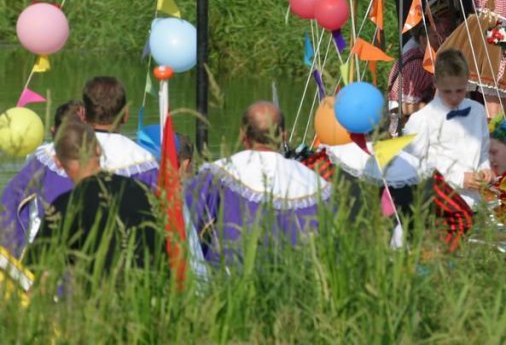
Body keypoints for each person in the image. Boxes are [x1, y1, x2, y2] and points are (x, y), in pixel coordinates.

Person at [0, 78, 158, 257]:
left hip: (51, 261)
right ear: (126, 114)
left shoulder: (51, 155)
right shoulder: (145, 163)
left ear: (84, 114)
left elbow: (10, 206)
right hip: (125, 265)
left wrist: (17, 261)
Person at [186, 102, 332, 266]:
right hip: (301, 275)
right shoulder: (315, 184)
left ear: (242, 135)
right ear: (284, 136)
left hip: (230, 276)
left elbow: (185, 220)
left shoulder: (218, 175)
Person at [25, 120, 160, 275]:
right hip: (153, 283)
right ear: (98, 150)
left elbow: (33, 271)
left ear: (57, 162)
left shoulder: (66, 207)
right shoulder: (141, 190)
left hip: (102, 288)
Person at [404, 49, 492, 251]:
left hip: (474, 203)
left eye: (460, 90)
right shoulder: (421, 120)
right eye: (447, 91)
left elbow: (483, 151)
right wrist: (459, 178)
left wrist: (485, 169)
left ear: (467, 82)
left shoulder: (477, 111)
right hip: (441, 208)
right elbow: (415, 167)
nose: (454, 97)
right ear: (435, 83)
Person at [388, 22, 443, 118]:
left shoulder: (414, 54)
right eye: (435, 36)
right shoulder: (418, 66)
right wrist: (434, 108)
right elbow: (402, 107)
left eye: (442, 34)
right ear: (423, 40)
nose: (441, 39)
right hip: (406, 123)